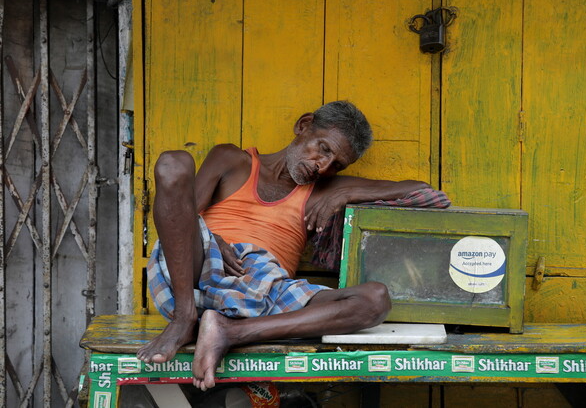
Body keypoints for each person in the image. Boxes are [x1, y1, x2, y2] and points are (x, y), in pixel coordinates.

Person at [136, 101, 446, 390]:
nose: (323, 166)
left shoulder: (325, 189)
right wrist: (212, 238)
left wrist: (344, 194)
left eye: (336, 165)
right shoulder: (232, 160)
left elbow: (427, 195)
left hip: (264, 294)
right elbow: (183, 215)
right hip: (195, 273)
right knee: (174, 162)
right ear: (303, 125)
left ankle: (227, 332)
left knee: (375, 300)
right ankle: (184, 320)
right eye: (322, 148)